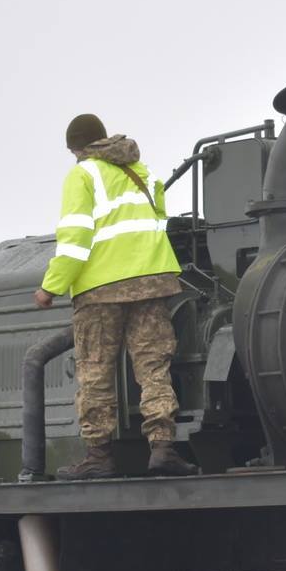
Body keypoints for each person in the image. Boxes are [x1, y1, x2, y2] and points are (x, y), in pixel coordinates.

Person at [33, 114, 197, 479]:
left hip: (101, 289)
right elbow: (156, 225)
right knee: (154, 369)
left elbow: (75, 239)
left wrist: (51, 287)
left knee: (95, 371)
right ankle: (163, 449)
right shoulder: (144, 172)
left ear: (77, 147)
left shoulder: (83, 174)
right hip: (154, 283)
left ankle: (98, 457)